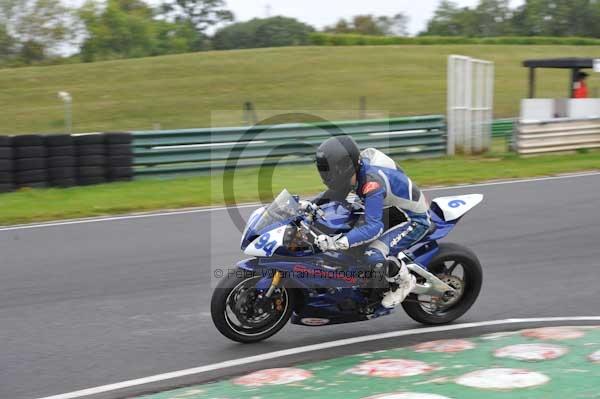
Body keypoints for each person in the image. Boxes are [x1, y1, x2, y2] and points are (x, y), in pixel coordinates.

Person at [310, 135, 431, 309]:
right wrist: (309, 206)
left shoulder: (371, 183)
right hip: (390, 209)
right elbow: (335, 194)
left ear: (343, 167)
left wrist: (338, 243)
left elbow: (374, 227)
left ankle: (405, 281)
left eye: (329, 170)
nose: (326, 174)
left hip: (413, 219)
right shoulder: (355, 172)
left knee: (373, 253)